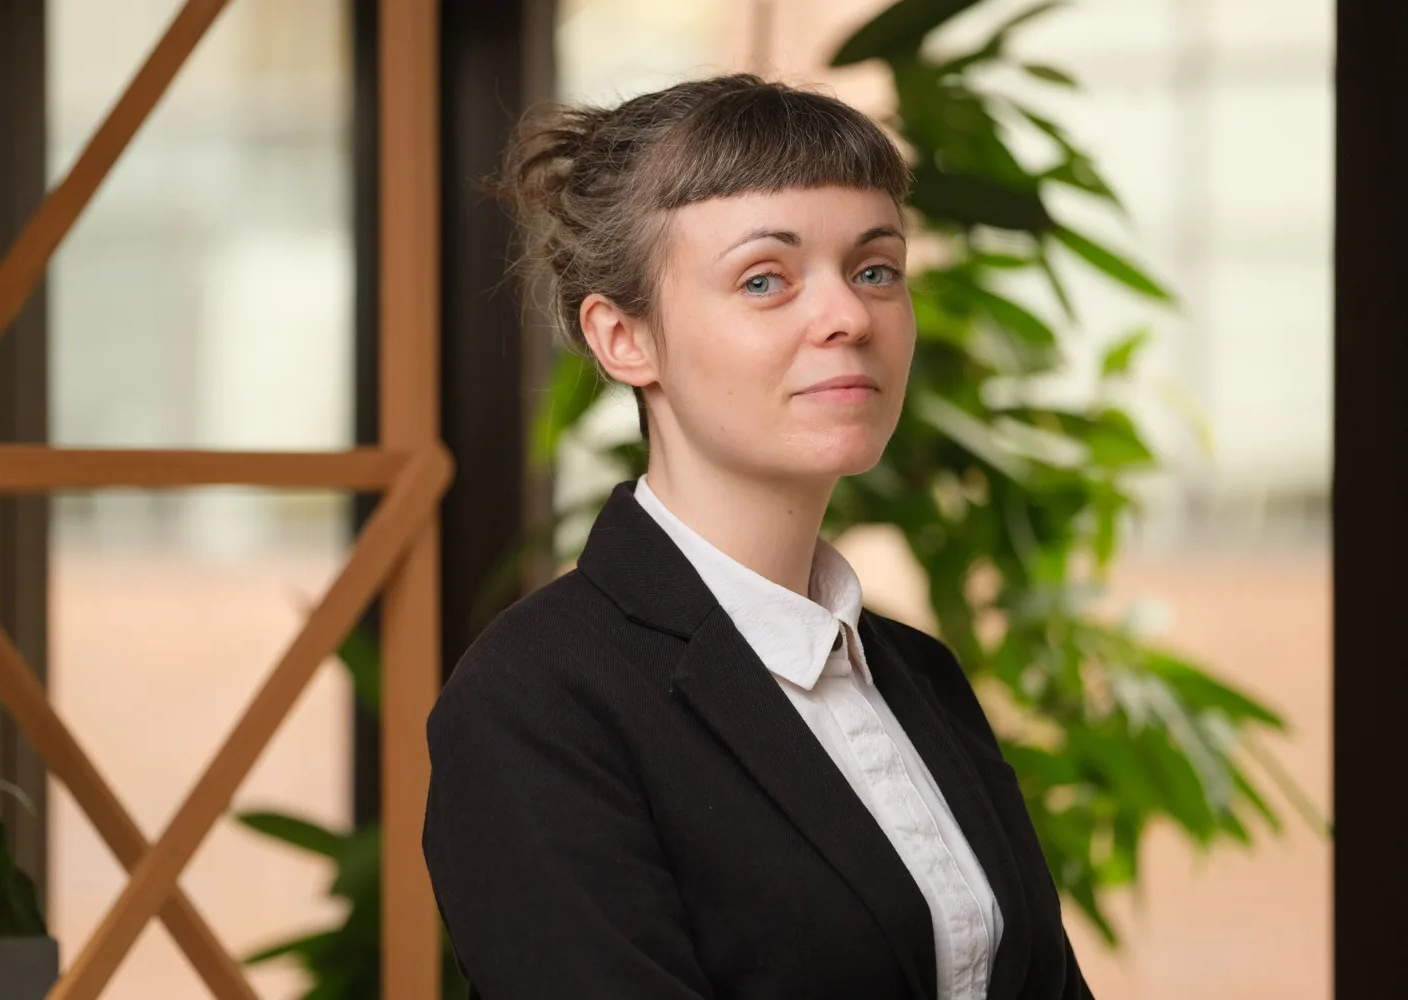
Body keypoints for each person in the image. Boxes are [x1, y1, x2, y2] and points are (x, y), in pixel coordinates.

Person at [422, 74, 1092, 1000]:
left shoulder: (918, 676)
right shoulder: (538, 701)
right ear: (624, 338)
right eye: (765, 279)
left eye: (875, 269)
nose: (849, 317)